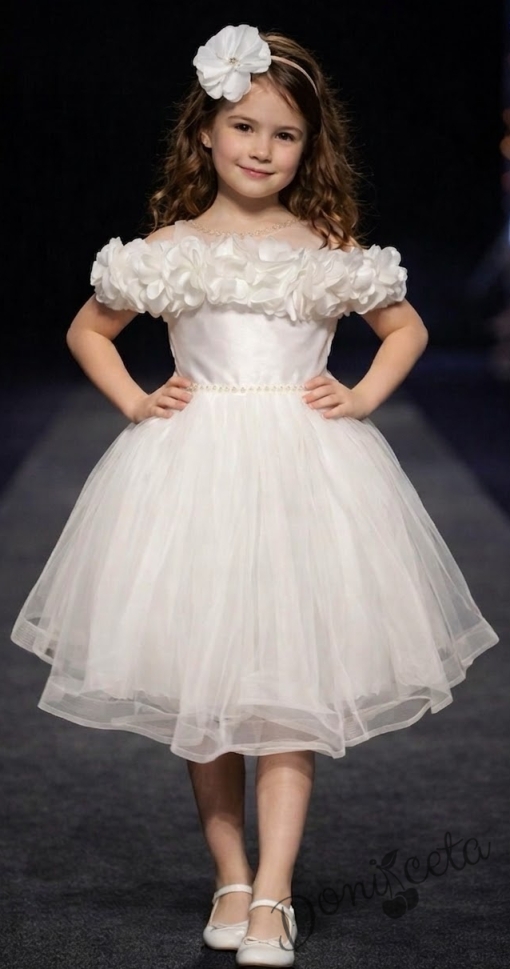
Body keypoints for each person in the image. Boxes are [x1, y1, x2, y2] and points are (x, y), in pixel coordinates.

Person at [11, 23, 499, 968]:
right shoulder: (172, 248)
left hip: (303, 476)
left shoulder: (326, 247)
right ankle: (230, 876)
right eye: (245, 126)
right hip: (195, 473)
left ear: (309, 148)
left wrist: (362, 395)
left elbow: (405, 328)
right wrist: (137, 402)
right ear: (205, 131)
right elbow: (88, 329)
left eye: (285, 135)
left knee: (287, 691)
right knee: (207, 685)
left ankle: (274, 890)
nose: (263, 149)